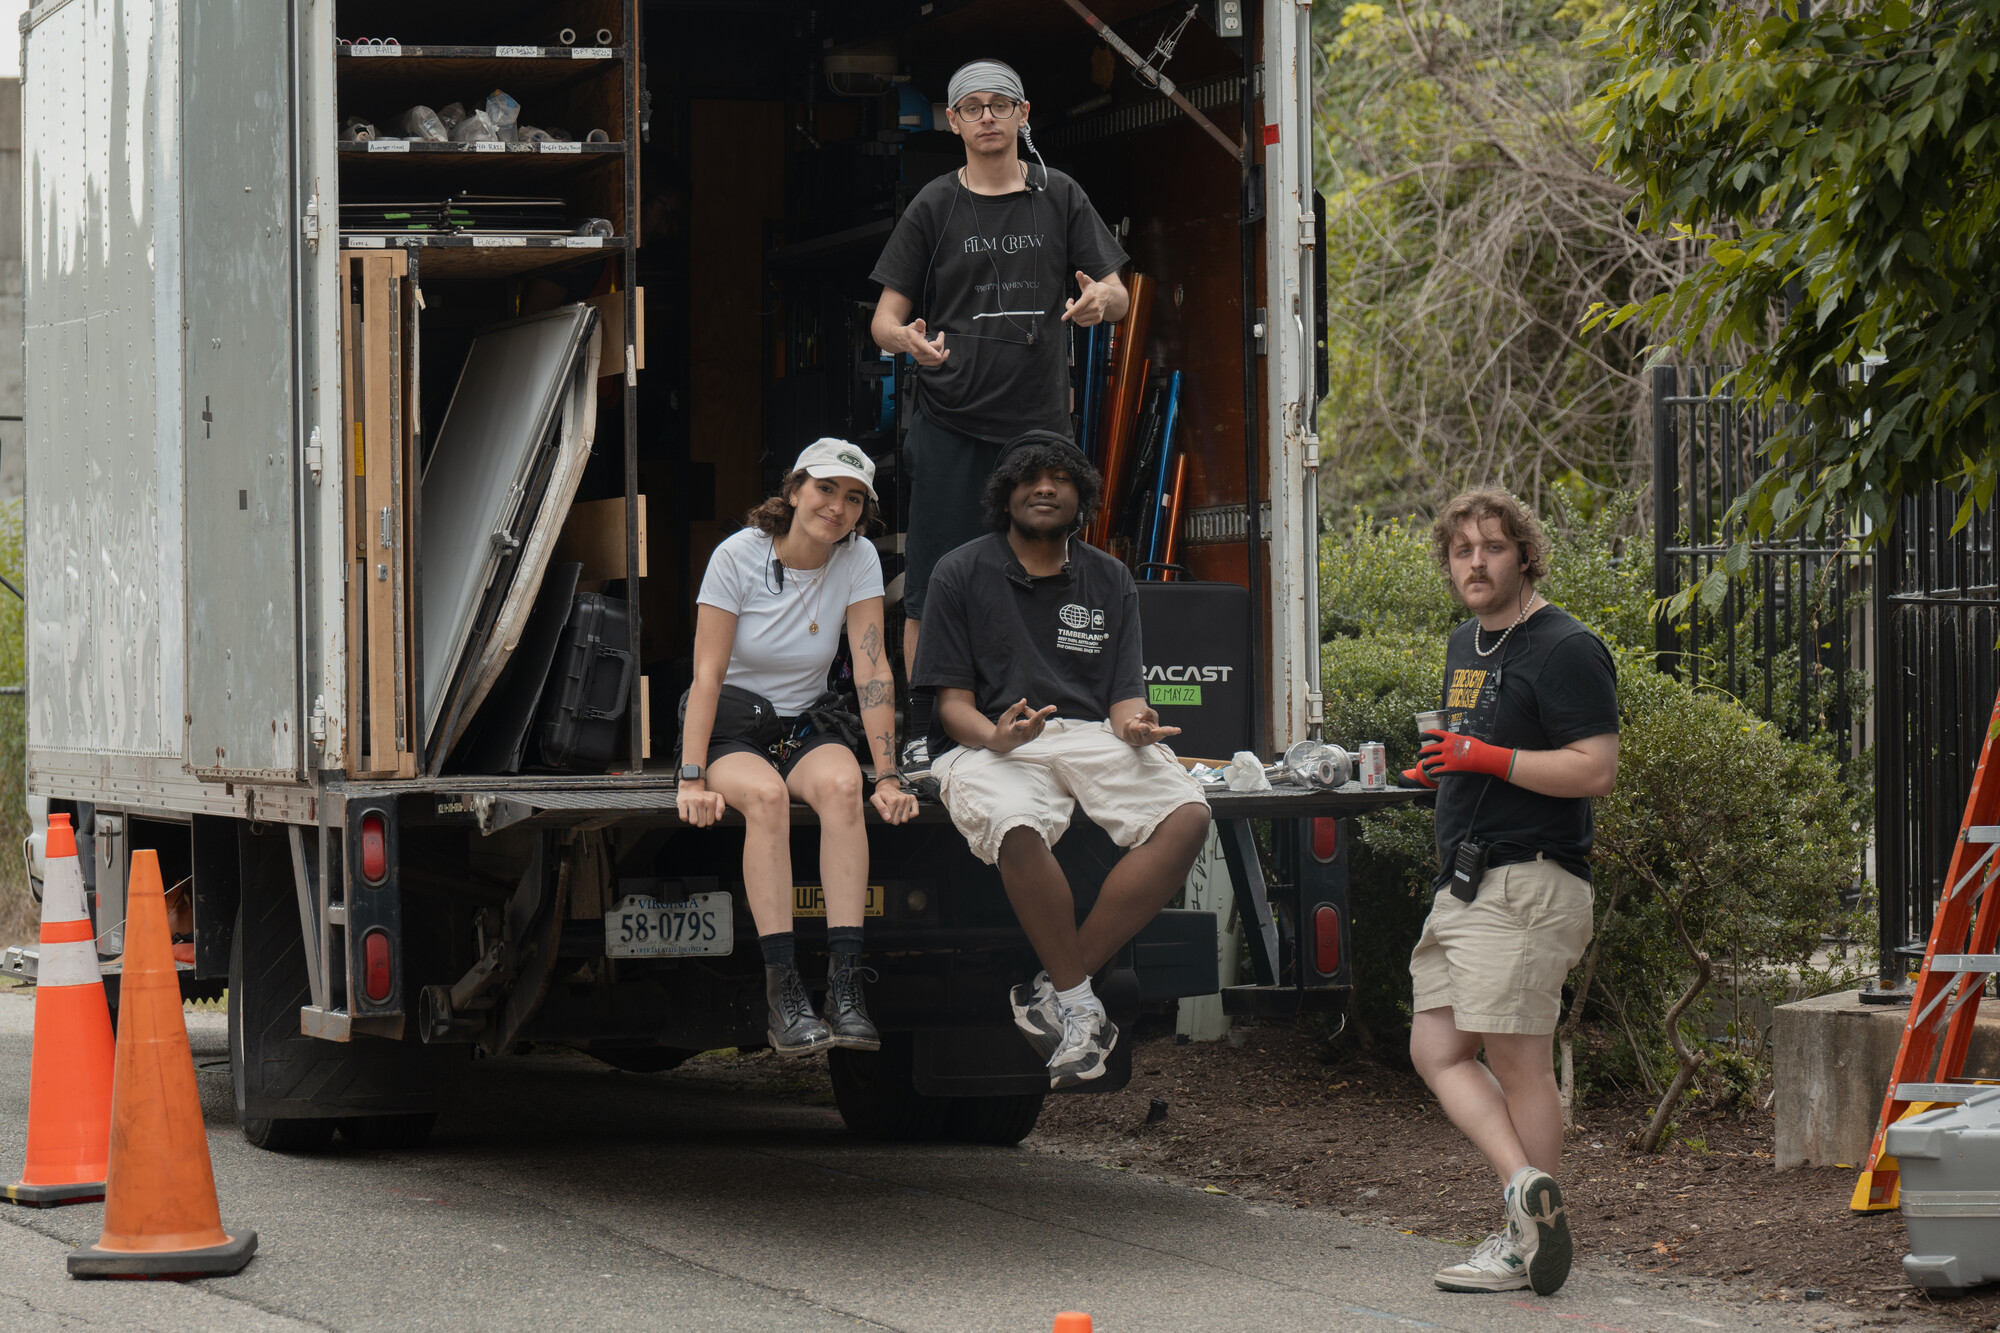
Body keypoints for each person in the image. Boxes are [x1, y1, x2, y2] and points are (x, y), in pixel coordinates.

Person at [912, 431, 1210, 1089]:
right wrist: (997, 737)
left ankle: (1054, 984)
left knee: (1188, 813)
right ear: (1006, 493)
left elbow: (1126, 697)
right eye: (1029, 477)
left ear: (1081, 496)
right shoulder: (959, 571)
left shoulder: (1108, 577)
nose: (1043, 487)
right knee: (1016, 825)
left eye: (1059, 478)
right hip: (987, 739)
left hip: (1088, 735)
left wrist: (1137, 725)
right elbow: (952, 705)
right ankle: (1078, 1005)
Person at [869, 58, 1131, 782]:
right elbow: (884, 321)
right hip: (951, 420)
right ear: (952, 121)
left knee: (1044, 575)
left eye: (1001, 104)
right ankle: (930, 734)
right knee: (932, 583)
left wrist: (1095, 305)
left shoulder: (1061, 196)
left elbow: (1117, 292)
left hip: (1037, 430)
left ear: (1023, 115)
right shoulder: (933, 206)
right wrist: (909, 342)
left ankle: (1051, 719)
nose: (987, 117)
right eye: (973, 107)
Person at [1399, 489, 1620, 1297]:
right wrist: (1444, 764)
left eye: (1493, 547)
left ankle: (1527, 1235)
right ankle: (1525, 1189)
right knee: (1435, 1047)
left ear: (1524, 555)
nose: (1476, 563)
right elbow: (1476, 747)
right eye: (1462, 551)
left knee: (1517, 1059)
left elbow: (1594, 768)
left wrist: (1482, 757)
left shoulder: (1566, 646)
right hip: (1465, 877)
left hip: (1530, 877)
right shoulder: (1468, 641)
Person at [676, 439, 920, 1057]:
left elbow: (872, 670)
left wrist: (888, 776)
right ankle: (784, 994)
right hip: (732, 725)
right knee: (764, 798)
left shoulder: (858, 557)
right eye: (826, 489)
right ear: (794, 490)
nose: (837, 507)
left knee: (845, 787)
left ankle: (844, 989)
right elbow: (706, 675)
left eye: (854, 498)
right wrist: (690, 776)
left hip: (803, 724)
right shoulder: (737, 556)